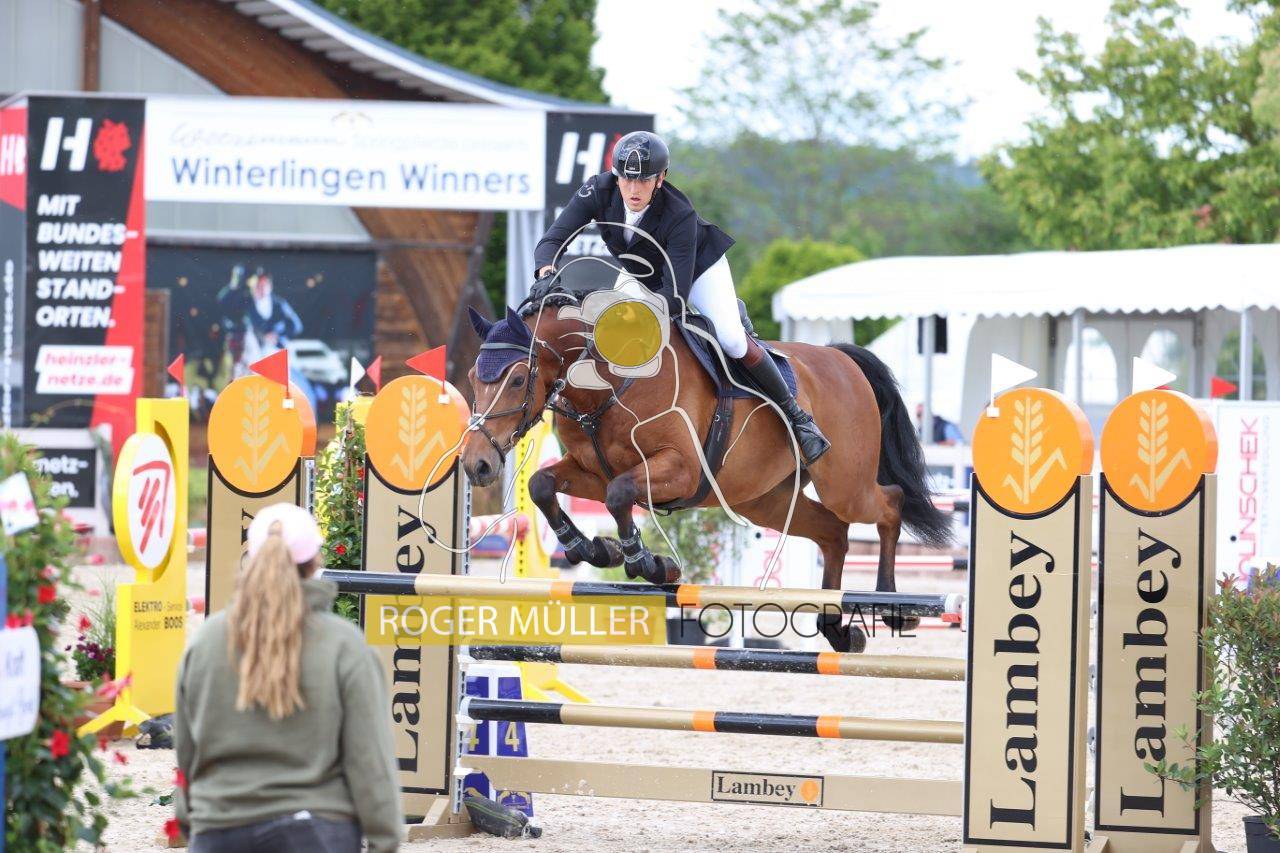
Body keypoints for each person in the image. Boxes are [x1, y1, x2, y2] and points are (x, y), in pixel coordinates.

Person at [532, 130, 830, 465]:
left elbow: (674, 297)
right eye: (626, 179)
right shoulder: (597, 191)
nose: (633, 190)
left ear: (660, 179)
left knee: (732, 340)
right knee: (606, 334)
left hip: (697, 273)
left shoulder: (679, 214)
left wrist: (635, 314)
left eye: (643, 180)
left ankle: (797, 417)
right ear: (616, 177)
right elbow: (553, 239)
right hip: (641, 273)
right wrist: (546, 272)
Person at [173, 503, 402, 853]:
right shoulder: (344, 646)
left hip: (220, 828)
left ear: (252, 558)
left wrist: (193, 822)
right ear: (316, 561)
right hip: (317, 831)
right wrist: (385, 839)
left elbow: (187, 752)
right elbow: (369, 758)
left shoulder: (204, 643)